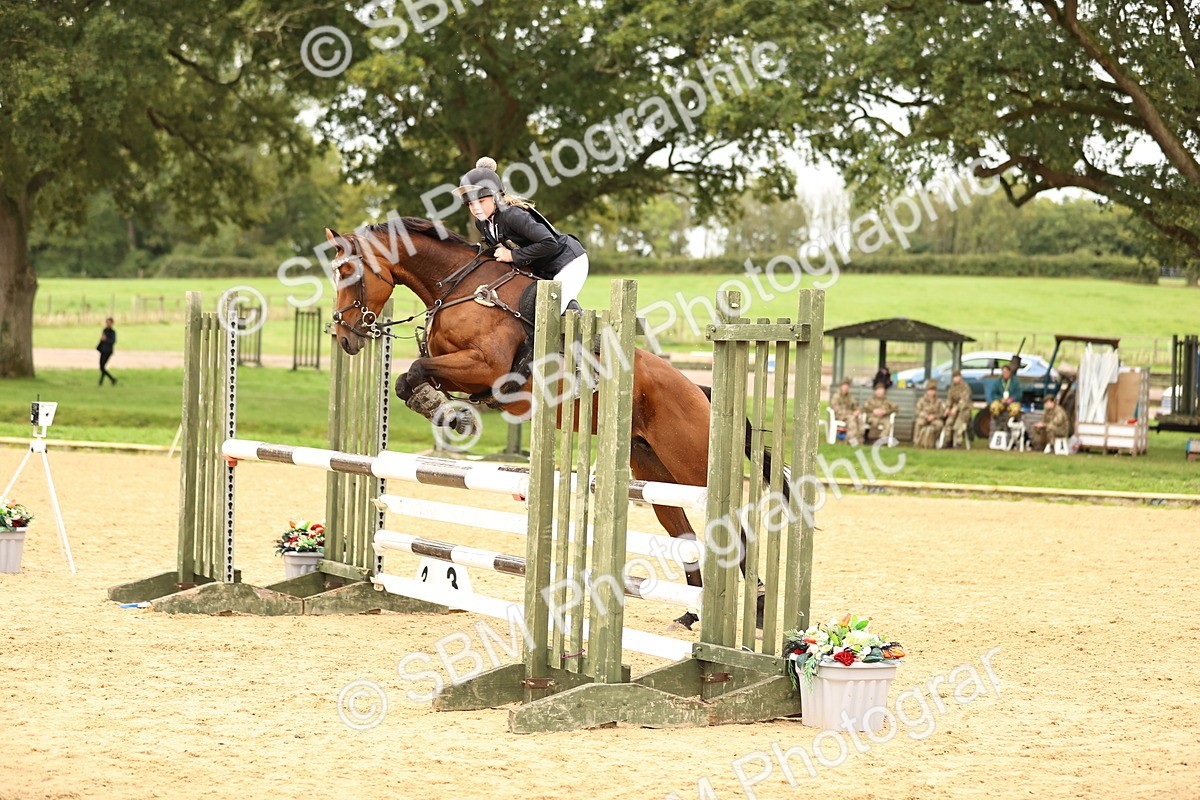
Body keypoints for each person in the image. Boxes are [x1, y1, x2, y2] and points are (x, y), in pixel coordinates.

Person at [452, 156, 588, 314]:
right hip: (542, 268)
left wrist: (512, 255)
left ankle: (586, 336)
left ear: (496, 198)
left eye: (480, 201)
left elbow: (550, 243)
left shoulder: (512, 215)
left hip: (568, 262)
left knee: (550, 309)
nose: (475, 208)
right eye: (470, 204)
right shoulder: (481, 223)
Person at [986, 363, 1021, 432]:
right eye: (1004, 372)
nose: (1005, 374)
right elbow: (993, 393)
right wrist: (1000, 399)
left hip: (1012, 402)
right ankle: (998, 424)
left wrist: (1011, 399)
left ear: (1010, 372)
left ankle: (1009, 424)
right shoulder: (998, 382)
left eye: (1007, 372)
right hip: (1001, 401)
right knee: (994, 407)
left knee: (1015, 409)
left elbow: (1019, 394)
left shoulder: (1015, 382)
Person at [829, 378, 864, 445]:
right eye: (844, 386)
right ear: (841, 387)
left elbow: (855, 405)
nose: (845, 388)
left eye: (847, 387)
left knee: (859, 421)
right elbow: (837, 409)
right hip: (840, 416)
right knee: (852, 421)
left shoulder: (849, 396)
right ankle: (850, 442)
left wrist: (857, 411)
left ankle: (859, 442)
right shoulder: (836, 396)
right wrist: (852, 413)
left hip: (849, 416)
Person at [944, 369, 973, 448]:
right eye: (954, 377)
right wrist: (947, 408)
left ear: (960, 377)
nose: (955, 379)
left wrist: (956, 408)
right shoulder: (952, 388)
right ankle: (948, 441)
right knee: (949, 422)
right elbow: (949, 399)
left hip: (965, 410)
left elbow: (964, 400)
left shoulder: (965, 387)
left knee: (958, 425)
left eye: (957, 377)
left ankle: (958, 443)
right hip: (954, 410)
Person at [913, 380, 946, 448]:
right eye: (930, 390)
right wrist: (926, 416)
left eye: (933, 391)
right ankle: (917, 442)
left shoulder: (938, 401)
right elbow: (917, 411)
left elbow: (941, 413)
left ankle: (933, 441)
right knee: (919, 423)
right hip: (924, 418)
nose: (931, 392)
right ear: (927, 391)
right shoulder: (921, 400)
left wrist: (934, 416)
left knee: (939, 425)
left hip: (935, 419)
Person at [97, 317, 117, 386]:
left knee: (102, 367)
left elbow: (113, 341)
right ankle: (102, 382)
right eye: (107, 322)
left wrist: (106, 339)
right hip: (103, 350)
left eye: (109, 322)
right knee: (102, 367)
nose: (107, 324)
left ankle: (111, 378)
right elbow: (102, 339)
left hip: (108, 351)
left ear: (112, 323)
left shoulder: (113, 332)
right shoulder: (104, 330)